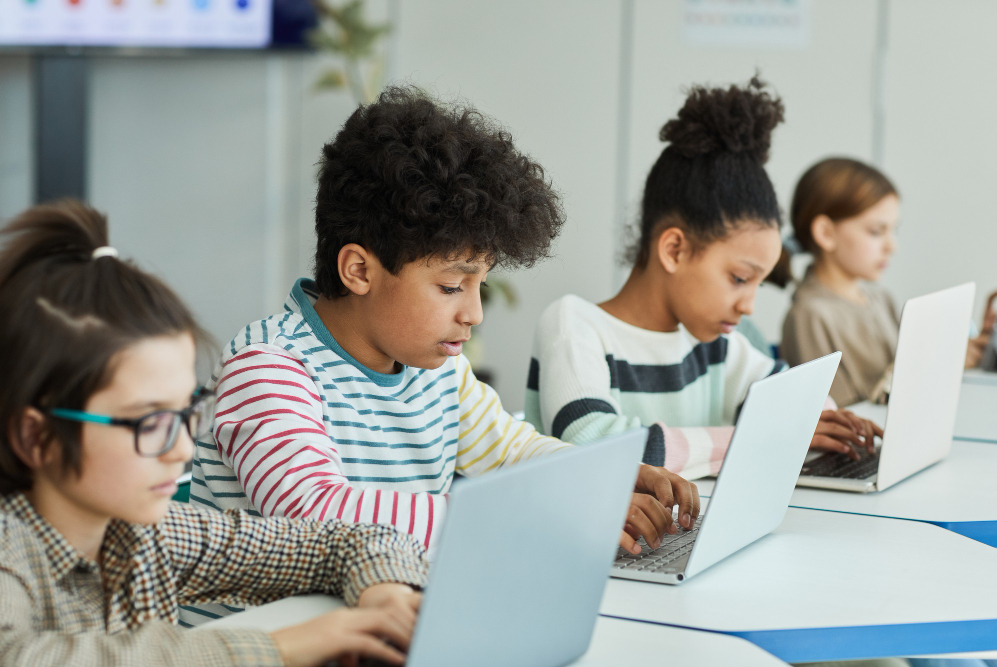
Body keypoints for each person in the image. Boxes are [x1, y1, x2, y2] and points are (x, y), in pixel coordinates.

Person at [189, 86, 698, 598]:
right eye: (452, 286)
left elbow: (508, 453)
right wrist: (549, 509)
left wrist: (603, 480)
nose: (473, 312)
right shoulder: (267, 369)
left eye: (481, 285)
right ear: (359, 270)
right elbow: (319, 515)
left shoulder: (436, 371)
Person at [0, 201, 428, 667]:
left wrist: (382, 590)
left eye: (186, 411)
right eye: (150, 423)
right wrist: (281, 647)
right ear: (36, 438)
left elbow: (348, 541)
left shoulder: (147, 535)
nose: (181, 449)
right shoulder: (11, 556)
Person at [525, 78, 882, 480]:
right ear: (674, 250)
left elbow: (790, 396)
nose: (748, 306)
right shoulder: (574, 326)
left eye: (757, 284)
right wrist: (758, 437)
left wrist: (825, 418)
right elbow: (595, 446)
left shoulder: (715, 344)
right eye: (738, 278)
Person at [778, 157, 997, 406]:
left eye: (894, 230)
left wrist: (960, 354)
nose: (892, 246)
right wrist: (932, 362)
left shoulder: (881, 299)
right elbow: (842, 420)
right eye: (876, 231)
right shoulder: (809, 316)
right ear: (826, 233)